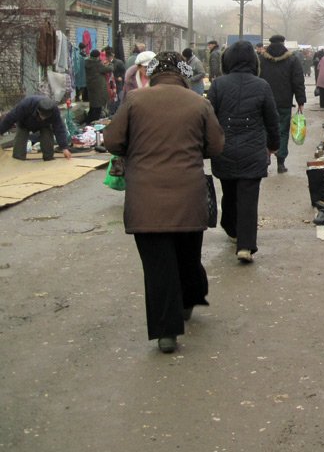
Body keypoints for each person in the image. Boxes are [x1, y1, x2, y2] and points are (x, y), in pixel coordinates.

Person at [104, 51, 225, 354]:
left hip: (145, 200)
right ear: (184, 74)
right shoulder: (199, 103)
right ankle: (187, 301)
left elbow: (113, 141)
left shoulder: (135, 100)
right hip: (189, 196)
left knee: (158, 266)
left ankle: (166, 333)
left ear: (153, 72)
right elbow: (215, 145)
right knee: (187, 255)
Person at [207, 41, 279, 263]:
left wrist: (208, 145)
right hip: (253, 150)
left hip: (224, 149)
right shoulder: (262, 85)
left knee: (229, 192)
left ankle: (231, 228)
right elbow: (272, 120)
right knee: (248, 198)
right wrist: (273, 145)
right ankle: (245, 246)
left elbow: (209, 117)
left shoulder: (218, 85)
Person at [258, 34, 306, 174]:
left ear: (270, 43)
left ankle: (266, 157)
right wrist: (300, 101)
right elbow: (298, 81)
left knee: (265, 130)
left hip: (265, 102)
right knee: (283, 131)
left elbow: (255, 79)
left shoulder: (261, 59)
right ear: (283, 43)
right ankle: (281, 162)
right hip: (284, 102)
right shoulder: (292, 59)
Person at [0, 95, 73, 161]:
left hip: (45, 125)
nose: (43, 118)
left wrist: (64, 147)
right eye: (42, 115)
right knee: (20, 141)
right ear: (38, 110)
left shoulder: (54, 111)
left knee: (47, 137)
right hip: (24, 123)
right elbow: (9, 119)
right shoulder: (26, 105)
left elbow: (59, 128)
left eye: (46, 116)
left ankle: (48, 158)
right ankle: (18, 159)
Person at [84, 49, 112, 123]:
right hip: (98, 89)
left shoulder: (87, 62)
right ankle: (93, 124)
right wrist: (110, 63)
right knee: (97, 109)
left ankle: (88, 122)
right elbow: (109, 69)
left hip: (91, 87)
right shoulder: (97, 64)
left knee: (92, 107)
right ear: (97, 56)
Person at [104, 47, 126, 115]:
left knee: (118, 98)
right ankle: (111, 112)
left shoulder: (119, 62)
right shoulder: (105, 63)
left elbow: (124, 71)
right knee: (111, 99)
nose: (108, 58)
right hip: (109, 84)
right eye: (107, 56)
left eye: (109, 56)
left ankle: (117, 113)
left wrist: (121, 77)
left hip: (117, 83)